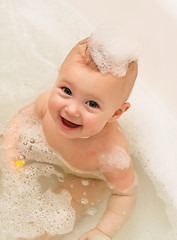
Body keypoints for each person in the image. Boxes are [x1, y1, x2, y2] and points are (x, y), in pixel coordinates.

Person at [4, 27, 138, 240]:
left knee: (60, 209)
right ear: (58, 78)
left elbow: (125, 193)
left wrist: (103, 231)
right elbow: (23, 117)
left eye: (92, 103)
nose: (71, 109)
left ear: (116, 113)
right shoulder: (46, 105)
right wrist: (10, 148)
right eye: (66, 91)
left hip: (86, 178)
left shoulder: (111, 152)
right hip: (41, 155)